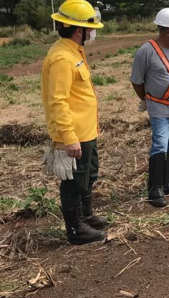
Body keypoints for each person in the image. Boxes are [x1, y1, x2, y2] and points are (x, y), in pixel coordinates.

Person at [40, 0, 107, 245]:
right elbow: (58, 101)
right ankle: (76, 230)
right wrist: (68, 137)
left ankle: (86, 216)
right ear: (80, 30)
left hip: (86, 132)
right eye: (91, 28)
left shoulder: (73, 51)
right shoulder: (62, 58)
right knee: (72, 182)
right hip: (74, 135)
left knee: (87, 175)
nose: (93, 33)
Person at [131, 8, 169, 208]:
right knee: (160, 145)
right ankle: (155, 188)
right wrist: (146, 99)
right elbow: (137, 81)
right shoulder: (146, 51)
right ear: (167, 30)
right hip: (160, 109)